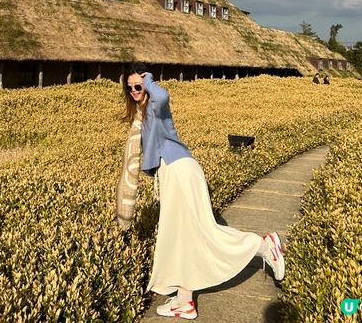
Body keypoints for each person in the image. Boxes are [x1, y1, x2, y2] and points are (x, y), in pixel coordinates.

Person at [120, 62, 285, 320]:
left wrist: (149, 79)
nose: (134, 91)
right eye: (130, 88)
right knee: (181, 235)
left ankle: (264, 246)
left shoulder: (155, 105)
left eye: (138, 86)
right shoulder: (143, 113)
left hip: (180, 171)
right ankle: (184, 300)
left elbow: (163, 95)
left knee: (200, 232)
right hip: (173, 172)